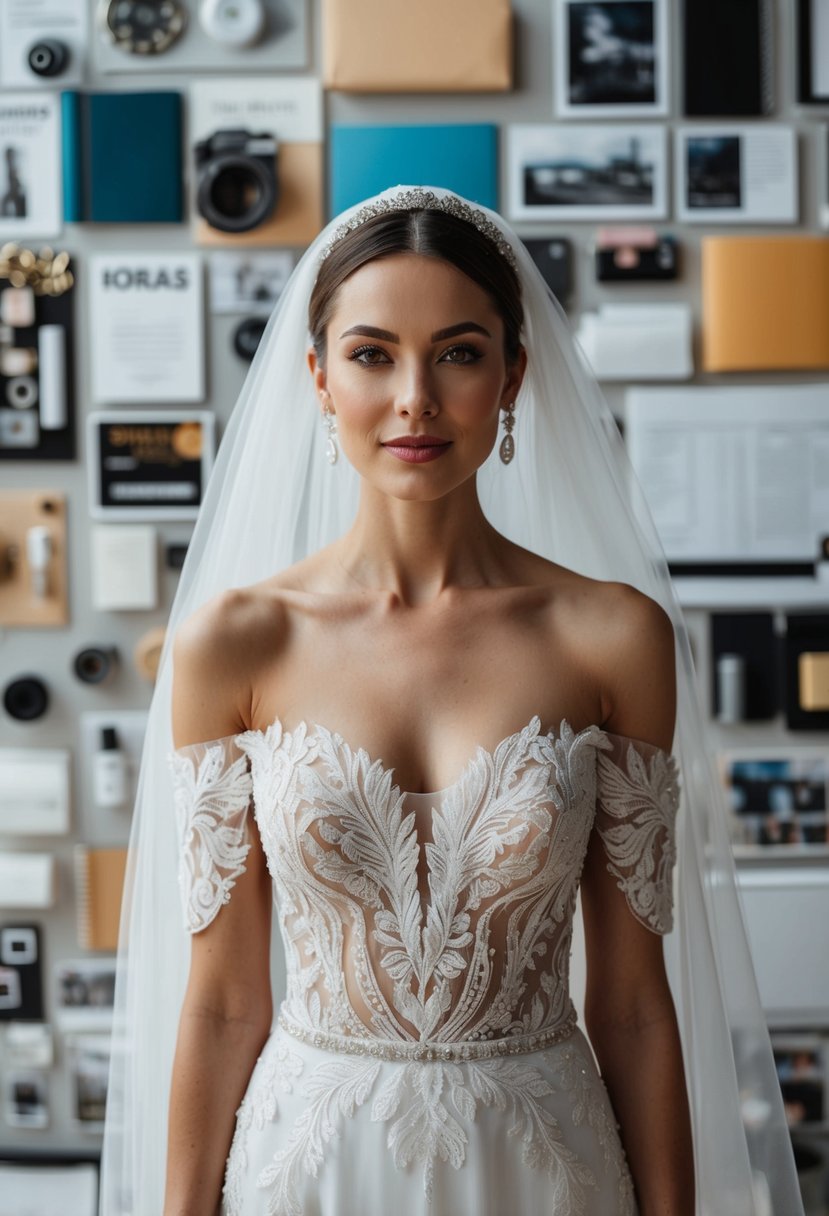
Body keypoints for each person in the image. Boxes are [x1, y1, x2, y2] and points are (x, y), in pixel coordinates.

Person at [99, 187, 804, 1216]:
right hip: (311, 1167)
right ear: (318, 378)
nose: (415, 399)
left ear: (513, 374)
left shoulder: (611, 635)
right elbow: (220, 1003)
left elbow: (636, 1005)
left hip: (545, 1164)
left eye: (459, 353)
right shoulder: (234, 641)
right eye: (373, 354)